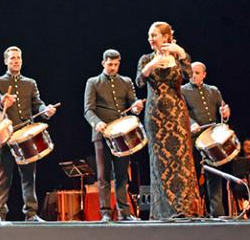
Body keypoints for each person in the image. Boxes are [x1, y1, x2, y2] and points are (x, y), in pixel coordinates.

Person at [135, 22, 202, 219]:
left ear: (165, 37)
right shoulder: (146, 58)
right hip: (155, 117)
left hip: (177, 115)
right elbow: (139, 81)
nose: (150, 39)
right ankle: (163, 211)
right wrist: (150, 66)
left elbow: (190, 76)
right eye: (149, 35)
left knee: (182, 161)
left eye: (154, 35)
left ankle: (186, 209)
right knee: (159, 163)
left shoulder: (178, 57)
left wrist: (181, 53)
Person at [0, 46, 56, 222]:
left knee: (29, 176)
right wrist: (4, 106)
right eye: (12, 58)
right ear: (5, 61)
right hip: (6, 138)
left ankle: (31, 214)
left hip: (25, 137)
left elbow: (38, 104)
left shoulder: (30, 83)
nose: (16, 61)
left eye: (18, 58)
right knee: (4, 176)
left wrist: (45, 110)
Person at [84, 49, 143, 222]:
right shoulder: (93, 82)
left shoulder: (126, 81)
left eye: (116, 65)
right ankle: (105, 213)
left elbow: (132, 104)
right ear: (103, 63)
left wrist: (136, 107)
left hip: (122, 135)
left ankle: (124, 212)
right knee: (103, 176)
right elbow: (88, 110)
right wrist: (97, 123)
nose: (113, 68)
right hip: (102, 135)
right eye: (110, 64)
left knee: (122, 175)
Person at [181, 61, 230, 217]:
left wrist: (226, 113)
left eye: (197, 73)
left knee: (215, 176)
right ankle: (193, 213)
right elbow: (183, 113)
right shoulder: (182, 90)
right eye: (191, 73)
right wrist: (192, 123)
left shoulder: (213, 91)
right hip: (194, 140)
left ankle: (217, 213)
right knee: (192, 176)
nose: (193, 76)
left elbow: (222, 113)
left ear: (204, 74)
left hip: (212, 140)